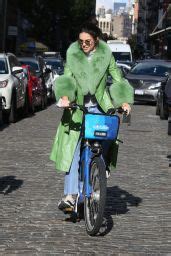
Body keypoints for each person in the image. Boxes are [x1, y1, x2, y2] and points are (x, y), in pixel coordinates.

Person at [50, 22, 134, 211]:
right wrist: (65, 97)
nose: (84, 45)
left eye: (88, 41)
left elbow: (118, 78)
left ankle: (100, 170)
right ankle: (71, 195)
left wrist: (123, 101)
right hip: (77, 108)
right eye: (81, 41)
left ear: (96, 40)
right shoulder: (73, 54)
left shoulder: (106, 56)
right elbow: (67, 78)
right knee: (73, 150)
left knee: (104, 142)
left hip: (100, 107)